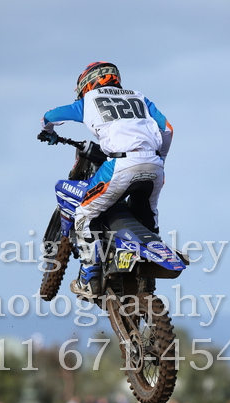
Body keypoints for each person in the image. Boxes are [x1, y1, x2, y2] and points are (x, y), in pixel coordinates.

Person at [40, 62, 173, 298]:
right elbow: (168, 129)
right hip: (154, 165)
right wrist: (159, 158)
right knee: (148, 218)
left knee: (84, 214)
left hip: (121, 164)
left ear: (87, 83)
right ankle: (147, 279)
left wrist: (48, 131)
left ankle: (88, 278)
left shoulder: (88, 100)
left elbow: (49, 116)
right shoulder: (139, 97)